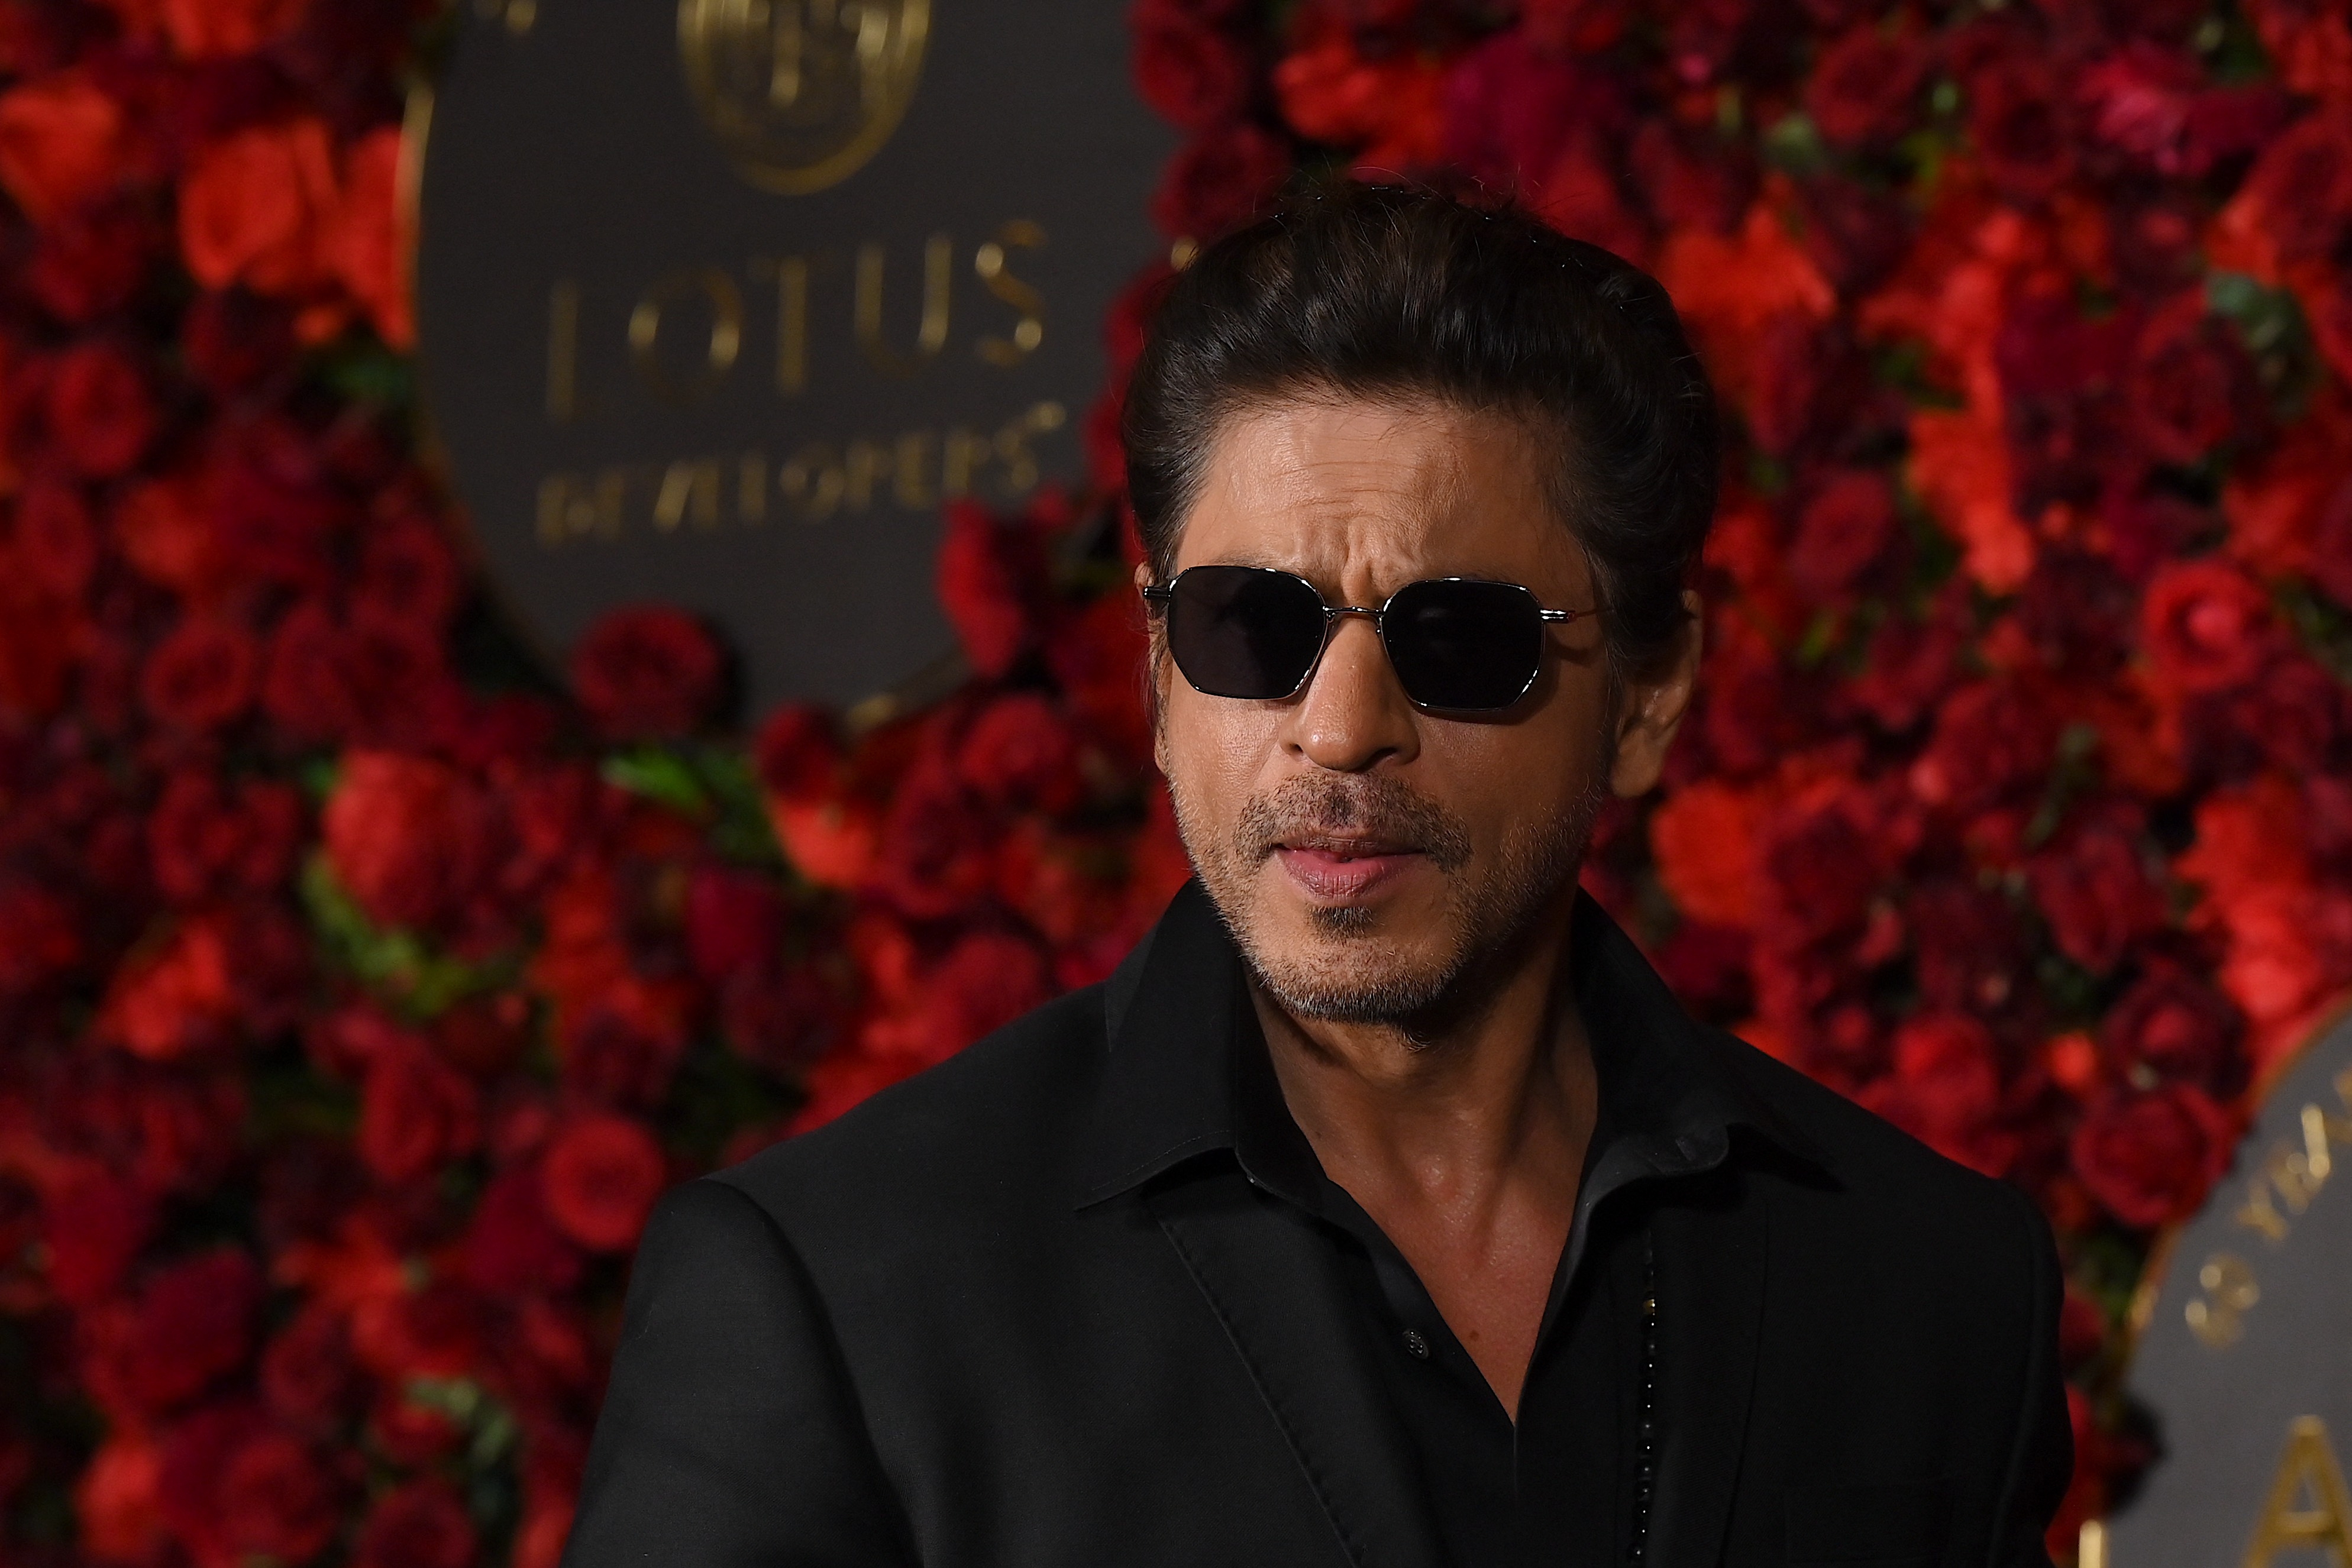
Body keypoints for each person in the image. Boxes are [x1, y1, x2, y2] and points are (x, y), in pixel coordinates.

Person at [561, 182, 2072, 1568]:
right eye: (1249, 630)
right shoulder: (838, 1296)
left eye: (1460, 641)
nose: (1340, 730)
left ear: (1651, 693)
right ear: (1157, 675)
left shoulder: (1929, 1290)